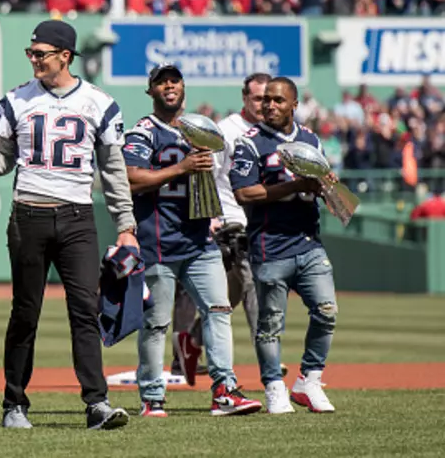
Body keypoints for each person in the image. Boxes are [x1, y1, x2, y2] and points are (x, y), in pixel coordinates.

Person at [0, 19, 133, 431]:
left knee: (85, 312)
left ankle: (97, 404)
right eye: (30, 53)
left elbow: (113, 170)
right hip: (28, 215)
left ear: (65, 56)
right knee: (25, 312)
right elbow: (2, 159)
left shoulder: (99, 102)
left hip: (76, 217)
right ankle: (14, 404)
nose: (33, 59)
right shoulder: (16, 100)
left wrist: (125, 224)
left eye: (41, 53)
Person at [122, 64, 262, 418]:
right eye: (161, 82)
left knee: (218, 310)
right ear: (150, 90)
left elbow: (225, 173)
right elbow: (130, 178)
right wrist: (180, 168)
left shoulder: (201, 128)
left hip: (200, 240)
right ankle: (152, 398)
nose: (169, 86)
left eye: (174, 80)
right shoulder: (143, 131)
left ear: (183, 86)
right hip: (158, 242)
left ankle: (224, 391)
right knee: (156, 323)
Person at [231, 76, 338, 414]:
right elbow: (244, 193)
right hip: (269, 243)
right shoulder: (250, 143)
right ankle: (274, 385)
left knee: (326, 310)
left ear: (294, 105)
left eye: (278, 101)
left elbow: (322, 185)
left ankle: (309, 378)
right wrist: (292, 187)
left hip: (308, 241)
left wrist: (326, 187)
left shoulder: (310, 139)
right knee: (270, 323)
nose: (270, 106)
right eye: (266, 100)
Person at [172, 73, 289, 382]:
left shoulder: (273, 132)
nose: (264, 104)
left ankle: (191, 341)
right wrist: (212, 217)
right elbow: (207, 175)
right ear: (244, 99)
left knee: (231, 292)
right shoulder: (226, 131)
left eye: (269, 99)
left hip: (263, 219)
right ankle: (269, 358)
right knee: (254, 284)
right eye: (258, 98)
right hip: (232, 219)